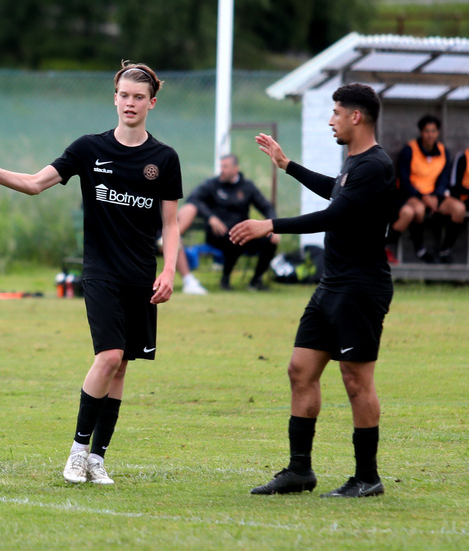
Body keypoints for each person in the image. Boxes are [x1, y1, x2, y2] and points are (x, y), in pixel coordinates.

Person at [0, 61, 181, 485]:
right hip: (101, 272)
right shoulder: (89, 149)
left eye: (139, 97)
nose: (130, 103)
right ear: (115, 97)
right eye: (124, 95)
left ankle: (98, 458)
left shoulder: (164, 158)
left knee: (123, 365)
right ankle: (77, 452)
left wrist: (170, 271)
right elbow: (34, 183)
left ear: (151, 103)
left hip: (141, 275)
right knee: (108, 356)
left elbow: (171, 223)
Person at [230, 83, 395, 498]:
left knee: (356, 379)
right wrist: (288, 165)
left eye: (336, 112)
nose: (330, 119)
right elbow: (335, 191)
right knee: (300, 369)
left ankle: (367, 477)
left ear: (356, 116)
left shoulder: (375, 164)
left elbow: (336, 213)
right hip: (332, 284)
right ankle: (300, 471)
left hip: (361, 287)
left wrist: (271, 225)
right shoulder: (354, 164)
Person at [177, 154, 278, 292]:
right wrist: (211, 217)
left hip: (242, 233)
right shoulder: (212, 185)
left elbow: (266, 207)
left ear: (235, 169)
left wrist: (272, 227)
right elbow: (193, 199)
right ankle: (225, 279)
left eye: (225, 166)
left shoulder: (247, 187)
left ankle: (256, 281)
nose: (222, 170)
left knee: (270, 240)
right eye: (221, 166)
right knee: (236, 238)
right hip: (218, 235)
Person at [389, 115, 454, 263]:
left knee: (458, 210)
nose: (430, 135)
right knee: (415, 211)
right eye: (427, 131)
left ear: (438, 132)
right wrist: (422, 196)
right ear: (420, 132)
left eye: (433, 131)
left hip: (434, 196)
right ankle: (419, 249)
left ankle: (445, 250)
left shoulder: (443, 151)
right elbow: (404, 179)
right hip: (413, 195)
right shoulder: (409, 150)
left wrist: (436, 196)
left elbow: (444, 178)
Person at [436, 146, 467, 262]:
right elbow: (454, 186)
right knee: (459, 209)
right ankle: (445, 249)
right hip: (461, 198)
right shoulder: (463, 157)